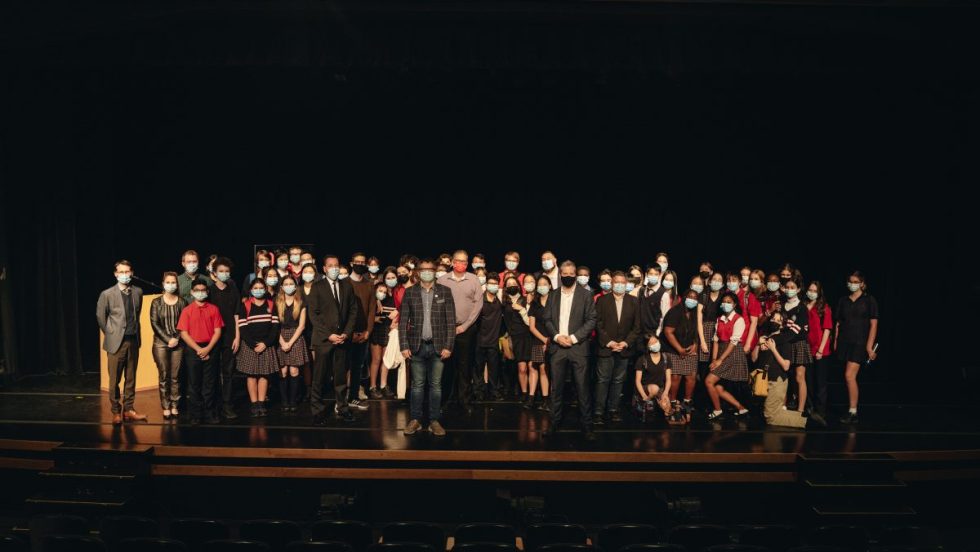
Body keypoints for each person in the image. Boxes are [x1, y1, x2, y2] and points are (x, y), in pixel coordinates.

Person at [540, 260, 598, 439]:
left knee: (582, 388)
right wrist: (557, 337)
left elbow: (591, 320)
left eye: (571, 274)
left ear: (575, 274)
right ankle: (554, 423)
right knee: (556, 388)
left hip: (578, 347)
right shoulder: (553, 294)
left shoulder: (586, 295)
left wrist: (572, 338)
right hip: (558, 347)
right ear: (560, 275)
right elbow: (547, 319)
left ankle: (587, 426)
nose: (567, 276)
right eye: (564, 274)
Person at [399, 259, 456, 436]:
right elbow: (403, 321)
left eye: (430, 269)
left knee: (436, 386)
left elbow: (451, 322)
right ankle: (415, 420)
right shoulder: (410, 292)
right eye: (423, 270)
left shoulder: (445, 291)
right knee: (417, 385)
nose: (427, 272)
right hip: (417, 346)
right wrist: (403, 345)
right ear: (418, 272)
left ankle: (433, 420)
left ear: (434, 271)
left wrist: (448, 346)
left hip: (438, 347)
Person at [307, 254, 359, 424]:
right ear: (324, 268)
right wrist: (328, 335)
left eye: (336, 265)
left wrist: (346, 333)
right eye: (330, 266)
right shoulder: (317, 287)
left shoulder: (347, 285)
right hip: (324, 340)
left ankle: (342, 408)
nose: (334, 268)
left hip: (342, 339)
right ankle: (317, 411)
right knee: (319, 377)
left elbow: (353, 310)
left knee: (340, 378)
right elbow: (313, 315)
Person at [97, 260, 147, 424]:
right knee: (114, 379)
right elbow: (101, 317)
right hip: (116, 342)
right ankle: (116, 411)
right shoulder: (107, 294)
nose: (125, 275)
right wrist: (110, 333)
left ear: (131, 273)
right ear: (116, 274)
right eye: (121, 272)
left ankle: (129, 409)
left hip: (133, 340)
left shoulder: (137, 292)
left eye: (127, 272)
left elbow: (137, 314)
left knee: (131, 377)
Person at [438, 250, 483, 411]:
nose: (461, 264)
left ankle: (464, 400)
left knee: (465, 367)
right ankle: (445, 400)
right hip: (446, 330)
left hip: (467, 329)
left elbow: (478, 305)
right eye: (458, 261)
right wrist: (448, 326)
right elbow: (438, 304)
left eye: (465, 262)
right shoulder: (443, 280)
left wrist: (465, 326)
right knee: (446, 367)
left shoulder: (474, 280)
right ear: (452, 262)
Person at [594, 271, 641, 425]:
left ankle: (613, 409)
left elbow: (636, 327)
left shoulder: (634, 301)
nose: (620, 285)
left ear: (626, 284)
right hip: (606, 348)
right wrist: (609, 342)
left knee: (618, 380)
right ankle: (599, 412)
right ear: (612, 284)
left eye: (623, 282)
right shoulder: (601, 300)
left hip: (624, 349)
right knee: (603, 380)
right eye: (617, 282)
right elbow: (597, 324)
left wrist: (625, 343)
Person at [176, 279, 224, 425]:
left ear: (207, 292)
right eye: (197, 290)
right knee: (194, 383)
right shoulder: (187, 310)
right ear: (191, 292)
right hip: (193, 350)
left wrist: (208, 348)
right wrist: (198, 349)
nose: (201, 293)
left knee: (210, 383)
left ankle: (210, 412)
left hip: (211, 348)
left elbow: (218, 331)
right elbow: (184, 333)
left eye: (203, 290)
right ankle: (195, 414)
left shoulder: (214, 309)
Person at [834, 271, 879, 424]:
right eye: (850, 281)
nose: (852, 284)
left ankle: (853, 412)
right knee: (846, 377)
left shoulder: (869, 300)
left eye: (855, 281)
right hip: (844, 342)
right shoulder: (843, 300)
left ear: (861, 283)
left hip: (859, 343)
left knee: (849, 376)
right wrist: (835, 341)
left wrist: (869, 347)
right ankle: (851, 408)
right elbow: (838, 323)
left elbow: (873, 324)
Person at [235, 279, 280, 418]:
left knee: (264, 375)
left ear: (266, 289)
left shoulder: (272, 305)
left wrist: (266, 343)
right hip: (250, 346)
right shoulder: (245, 305)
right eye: (256, 287)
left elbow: (275, 327)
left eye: (261, 287)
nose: (258, 289)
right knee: (251, 375)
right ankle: (254, 404)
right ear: (251, 289)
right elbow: (242, 328)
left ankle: (261, 403)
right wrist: (253, 345)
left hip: (266, 345)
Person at [757, 313, 808, 429]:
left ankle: (805, 420)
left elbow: (786, 366)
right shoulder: (766, 338)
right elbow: (755, 358)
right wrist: (758, 343)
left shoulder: (784, 341)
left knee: (771, 416)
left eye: (778, 321)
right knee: (769, 414)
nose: (774, 322)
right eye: (773, 319)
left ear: (782, 325)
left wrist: (773, 349)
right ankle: (802, 418)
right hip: (764, 380)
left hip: (777, 381)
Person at [705, 292, 750, 421]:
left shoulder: (739, 319)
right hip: (721, 352)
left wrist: (719, 360)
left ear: (734, 304)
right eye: (724, 301)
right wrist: (714, 359)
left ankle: (718, 410)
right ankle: (741, 408)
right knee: (718, 388)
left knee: (709, 381)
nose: (726, 304)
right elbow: (716, 340)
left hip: (732, 353)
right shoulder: (719, 319)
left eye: (729, 302)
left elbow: (733, 343)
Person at [150, 272, 187, 420]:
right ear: (163, 283)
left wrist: (176, 338)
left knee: (175, 376)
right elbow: (154, 323)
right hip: (160, 344)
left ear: (177, 285)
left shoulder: (182, 302)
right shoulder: (156, 302)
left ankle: (174, 405)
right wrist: (168, 339)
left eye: (173, 282)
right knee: (164, 375)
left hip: (178, 343)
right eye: (168, 282)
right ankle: (165, 406)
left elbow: (184, 323)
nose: (171, 285)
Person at [209, 257, 242, 420]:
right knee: (213, 373)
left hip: (230, 336)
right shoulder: (209, 291)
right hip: (213, 337)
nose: (224, 274)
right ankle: (214, 406)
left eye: (227, 271)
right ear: (214, 273)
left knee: (228, 372)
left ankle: (228, 405)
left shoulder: (233, 289)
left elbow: (237, 314)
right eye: (221, 271)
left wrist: (237, 336)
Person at [347, 252, 377, 412]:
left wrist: (368, 331)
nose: (360, 264)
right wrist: (348, 333)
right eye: (357, 262)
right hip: (347, 334)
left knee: (358, 367)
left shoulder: (369, 284)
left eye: (362, 262)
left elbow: (372, 309)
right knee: (343, 366)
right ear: (351, 263)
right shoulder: (344, 283)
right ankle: (342, 398)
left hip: (363, 333)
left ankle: (353, 397)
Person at [276, 276, 309, 413]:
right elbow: (274, 325)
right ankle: (284, 401)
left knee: (294, 370)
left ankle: (293, 400)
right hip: (280, 337)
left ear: (295, 286)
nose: (289, 286)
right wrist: (283, 342)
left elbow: (301, 326)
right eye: (286, 284)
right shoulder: (276, 302)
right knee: (283, 371)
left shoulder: (301, 303)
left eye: (291, 284)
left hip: (296, 337)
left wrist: (290, 342)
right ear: (282, 287)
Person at [662, 289, 699, 405]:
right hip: (674, 350)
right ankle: (672, 402)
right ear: (684, 298)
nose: (692, 300)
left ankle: (687, 402)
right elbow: (668, 332)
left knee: (691, 376)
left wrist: (695, 344)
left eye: (695, 298)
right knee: (676, 377)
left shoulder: (694, 313)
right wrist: (679, 349)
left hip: (688, 349)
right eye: (690, 297)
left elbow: (696, 331)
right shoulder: (675, 311)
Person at [501, 275, 533, 407]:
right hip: (516, 338)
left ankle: (531, 395)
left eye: (514, 283)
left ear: (519, 285)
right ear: (505, 287)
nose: (512, 285)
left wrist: (522, 310)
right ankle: (524, 393)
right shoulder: (505, 302)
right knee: (521, 368)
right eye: (509, 284)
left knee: (532, 367)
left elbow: (530, 321)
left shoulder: (526, 299)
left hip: (529, 336)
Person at [781, 278, 811, 413]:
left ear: (798, 289)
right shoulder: (781, 306)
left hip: (798, 344)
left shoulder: (802, 308)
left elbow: (799, 330)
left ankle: (800, 410)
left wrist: (783, 340)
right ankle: (783, 406)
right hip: (785, 344)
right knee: (784, 376)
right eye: (787, 287)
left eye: (792, 287)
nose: (789, 289)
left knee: (799, 377)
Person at [806, 281, 833, 417]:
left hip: (821, 350)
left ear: (819, 293)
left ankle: (820, 410)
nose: (811, 293)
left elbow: (827, 330)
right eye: (810, 290)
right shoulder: (804, 306)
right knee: (809, 380)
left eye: (814, 291)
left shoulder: (824, 308)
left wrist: (820, 350)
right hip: (807, 349)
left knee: (820, 381)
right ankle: (810, 407)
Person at [475, 274, 504, 401]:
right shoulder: (480, 300)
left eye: (495, 284)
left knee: (494, 369)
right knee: (478, 369)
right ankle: (478, 392)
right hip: (480, 340)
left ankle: (494, 391)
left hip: (493, 341)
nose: (493, 286)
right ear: (486, 285)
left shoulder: (500, 301)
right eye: (490, 283)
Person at [527, 275, 553, 412]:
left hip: (553, 340)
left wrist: (549, 340)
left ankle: (546, 400)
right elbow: (531, 326)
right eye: (540, 284)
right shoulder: (534, 304)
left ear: (550, 286)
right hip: (538, 340)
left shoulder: (555, 302)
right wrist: (543, 340)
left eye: (545, 284)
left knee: (546, 369)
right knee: (537, 367)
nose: (542, 286)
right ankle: (531, 399)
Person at [368, 280, 398, 399]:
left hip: (388, 331)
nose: (382, 293)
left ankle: (383, 385)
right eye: (380, 291)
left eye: (385, 292)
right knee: (376, 359)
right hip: (376, 331)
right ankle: (372, 386)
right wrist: (374, 318)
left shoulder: (391, 300)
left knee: (386, 360)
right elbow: (366, 315)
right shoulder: (373, 301)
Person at [634, 334, 672, 416]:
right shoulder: (642, 359)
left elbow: (668, 379)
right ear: (648, 346)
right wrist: (644, 395)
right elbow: (637, 381)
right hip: (646, 388)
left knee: (667, 409)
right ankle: (646, 403)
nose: (655, 344)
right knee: (655, 388)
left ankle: (656, 405)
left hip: (660, 389)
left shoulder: (666, 358)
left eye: (656, 342)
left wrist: (665, 393)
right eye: (651, 343)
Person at [638, 264, 666, 339]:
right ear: (646, 274)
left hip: (653, 335)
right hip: (640, 334)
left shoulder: (663, 293)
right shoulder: (642, 290)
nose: (653, 276)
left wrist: (656, 335)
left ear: (660, 275)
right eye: (651, 274)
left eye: (656, 274)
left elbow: (664, 318)